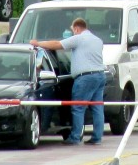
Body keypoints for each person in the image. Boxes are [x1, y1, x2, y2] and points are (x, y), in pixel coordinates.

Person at [30, 17, 105, 145]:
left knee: (78, 107)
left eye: (72, 30)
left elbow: (57, 45)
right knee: (97, 107)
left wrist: (38, 43)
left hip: (84, 78)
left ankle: (75, 137)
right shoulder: (98, 40)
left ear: (76, 28)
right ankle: (97, 137)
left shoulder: (79, 38)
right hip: (99, 76)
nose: (72, 33)